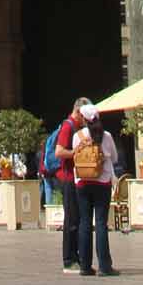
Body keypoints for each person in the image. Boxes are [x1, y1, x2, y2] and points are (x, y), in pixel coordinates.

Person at [71, 102, 118, 277]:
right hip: (102, 182)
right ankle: (105, 267)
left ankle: (85, 265)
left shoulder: (78, 136)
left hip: (82, 183)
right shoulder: (106, 136)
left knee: (84, 222)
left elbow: (74, 156)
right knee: (100, 223)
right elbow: (114, 158)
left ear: (83, 119)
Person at [54, 99, 87, 273]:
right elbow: (59, 151)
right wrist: (75, 152)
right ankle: (69, 260)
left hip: (76, 178)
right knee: (71, 220)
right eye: (85, 115)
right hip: (68, 178)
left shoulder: (78, 127)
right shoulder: (68, 126)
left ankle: (77, 257)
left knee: (77, 219)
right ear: (79, 112)